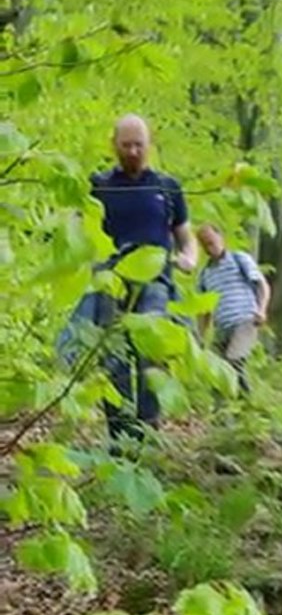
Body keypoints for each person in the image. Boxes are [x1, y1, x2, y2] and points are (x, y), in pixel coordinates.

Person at [91, 113, 197, 442]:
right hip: (112, 283)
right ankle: (119, 438)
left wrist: (189, 257)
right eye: (126, 145)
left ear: (149, 145)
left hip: (156, 283)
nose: (133, 151)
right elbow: (83, 228)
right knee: (114, 359)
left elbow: (185, 235)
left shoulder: (167, 187)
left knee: (151, 358)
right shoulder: (99, 184)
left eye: (139, 145)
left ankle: (147, 436)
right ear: (114, 145)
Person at [196, 223, 270, 395]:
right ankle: (229, 411)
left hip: (245, 320)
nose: (209, 248)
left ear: (221, 238)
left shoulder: (239, 259)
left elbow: (262, 285)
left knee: (233, 360)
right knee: (217, 369)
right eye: (205, 245)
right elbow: (204, 310)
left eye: (211, 242)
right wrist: (201, 336)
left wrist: (262, 309)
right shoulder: (205, 274)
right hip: (222, 327)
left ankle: (246, 401)